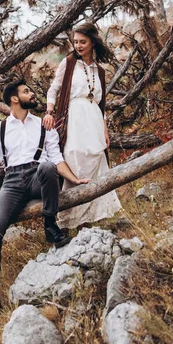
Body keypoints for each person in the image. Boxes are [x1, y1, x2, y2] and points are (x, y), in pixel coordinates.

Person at [0, 79, 90, 325]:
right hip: (11, 183)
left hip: (37, 177)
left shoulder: (45, 125)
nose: (32, 94)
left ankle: (50, 227)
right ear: (14, 98)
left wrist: (74, 179)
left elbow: (56, 159)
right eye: (26, 91)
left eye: (31, 91)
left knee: (47, 166)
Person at [43, 22, 121, 229]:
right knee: (75, 158)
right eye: (75, 41)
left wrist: (105, 129)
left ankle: (96, 219)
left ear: (93, 42)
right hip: (73, 120)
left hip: (94, 120)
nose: (78, 45)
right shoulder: (68, 63)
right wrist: (49, 112)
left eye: (82, 42)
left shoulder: (100, 71)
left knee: (96, 160)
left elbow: (101, 105)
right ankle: (73, 220)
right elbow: (54, 90)